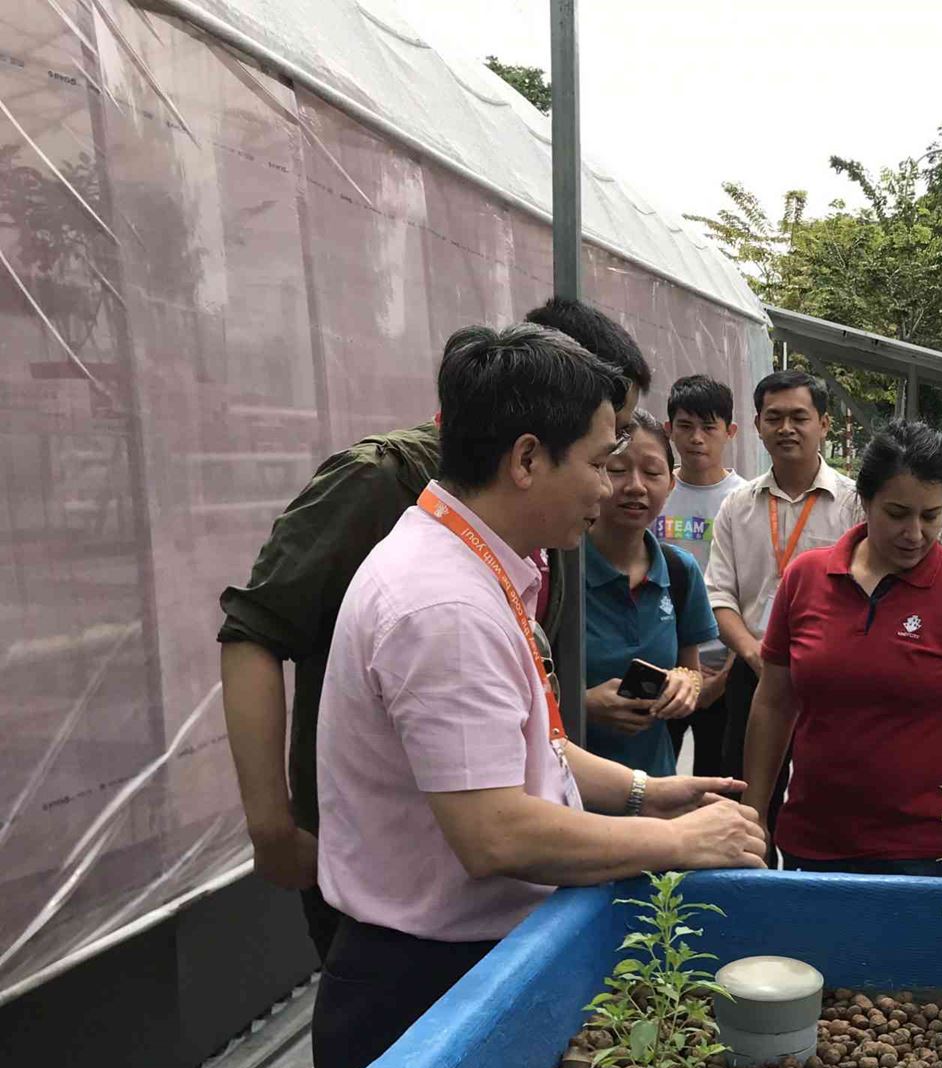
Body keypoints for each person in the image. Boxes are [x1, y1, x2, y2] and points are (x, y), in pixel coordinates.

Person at [311, 323, 763, 1068]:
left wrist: (656, 790)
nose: (617, 484)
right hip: (416, 986)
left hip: (463, 966)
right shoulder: (441, 604)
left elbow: (533, 750)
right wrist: (676, 846)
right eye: (602, 457)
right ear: (526, 459)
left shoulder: (476, 570)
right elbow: (498, 832)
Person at [217, 295, 650, 968]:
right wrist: (274, 828)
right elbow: (256, 629)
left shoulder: (524, 526)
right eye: (603, 450)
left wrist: (642, 792)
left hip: (476, 868)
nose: (613, 479)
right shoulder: (389, 491)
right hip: (406, 885)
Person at [743, 420, 942, 876]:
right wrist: (753, 818)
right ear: (865, 502)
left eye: (930, 516)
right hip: (816, 847)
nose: (914, 532)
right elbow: (774, 704)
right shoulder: (806, 578)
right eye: (897, 513)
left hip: (936, 854)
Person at [704, 370, 860, 789]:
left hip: (830, 676)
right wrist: (755, 654)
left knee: (826, 790)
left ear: (824, 424)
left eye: (799, 417)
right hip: (751, 671)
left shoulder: (854, 505)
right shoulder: (737, 506)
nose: (786, 428)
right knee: (747, 791)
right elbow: (719, 594)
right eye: (773, 418)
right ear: (757, 425)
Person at [581, 410, 716, 777]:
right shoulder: (556, 569)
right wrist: (582, 705)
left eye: (653, 472)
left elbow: (691, 670)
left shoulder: (679, 571)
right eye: (617, 469)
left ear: (670, 484)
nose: (636, 486)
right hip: (570, 793)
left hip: (654, 788)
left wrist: (686, 686)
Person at [660, 375, 750, 773]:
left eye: (708, 427)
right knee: (652, 783)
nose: (697, 438)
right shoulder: (652, 491)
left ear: (729, 432)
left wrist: (725, 676)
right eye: (685, 426)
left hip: (722, 669)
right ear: (669, 430)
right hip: (660, 665)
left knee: (717, 782)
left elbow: (750, 592)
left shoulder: (745, 500)